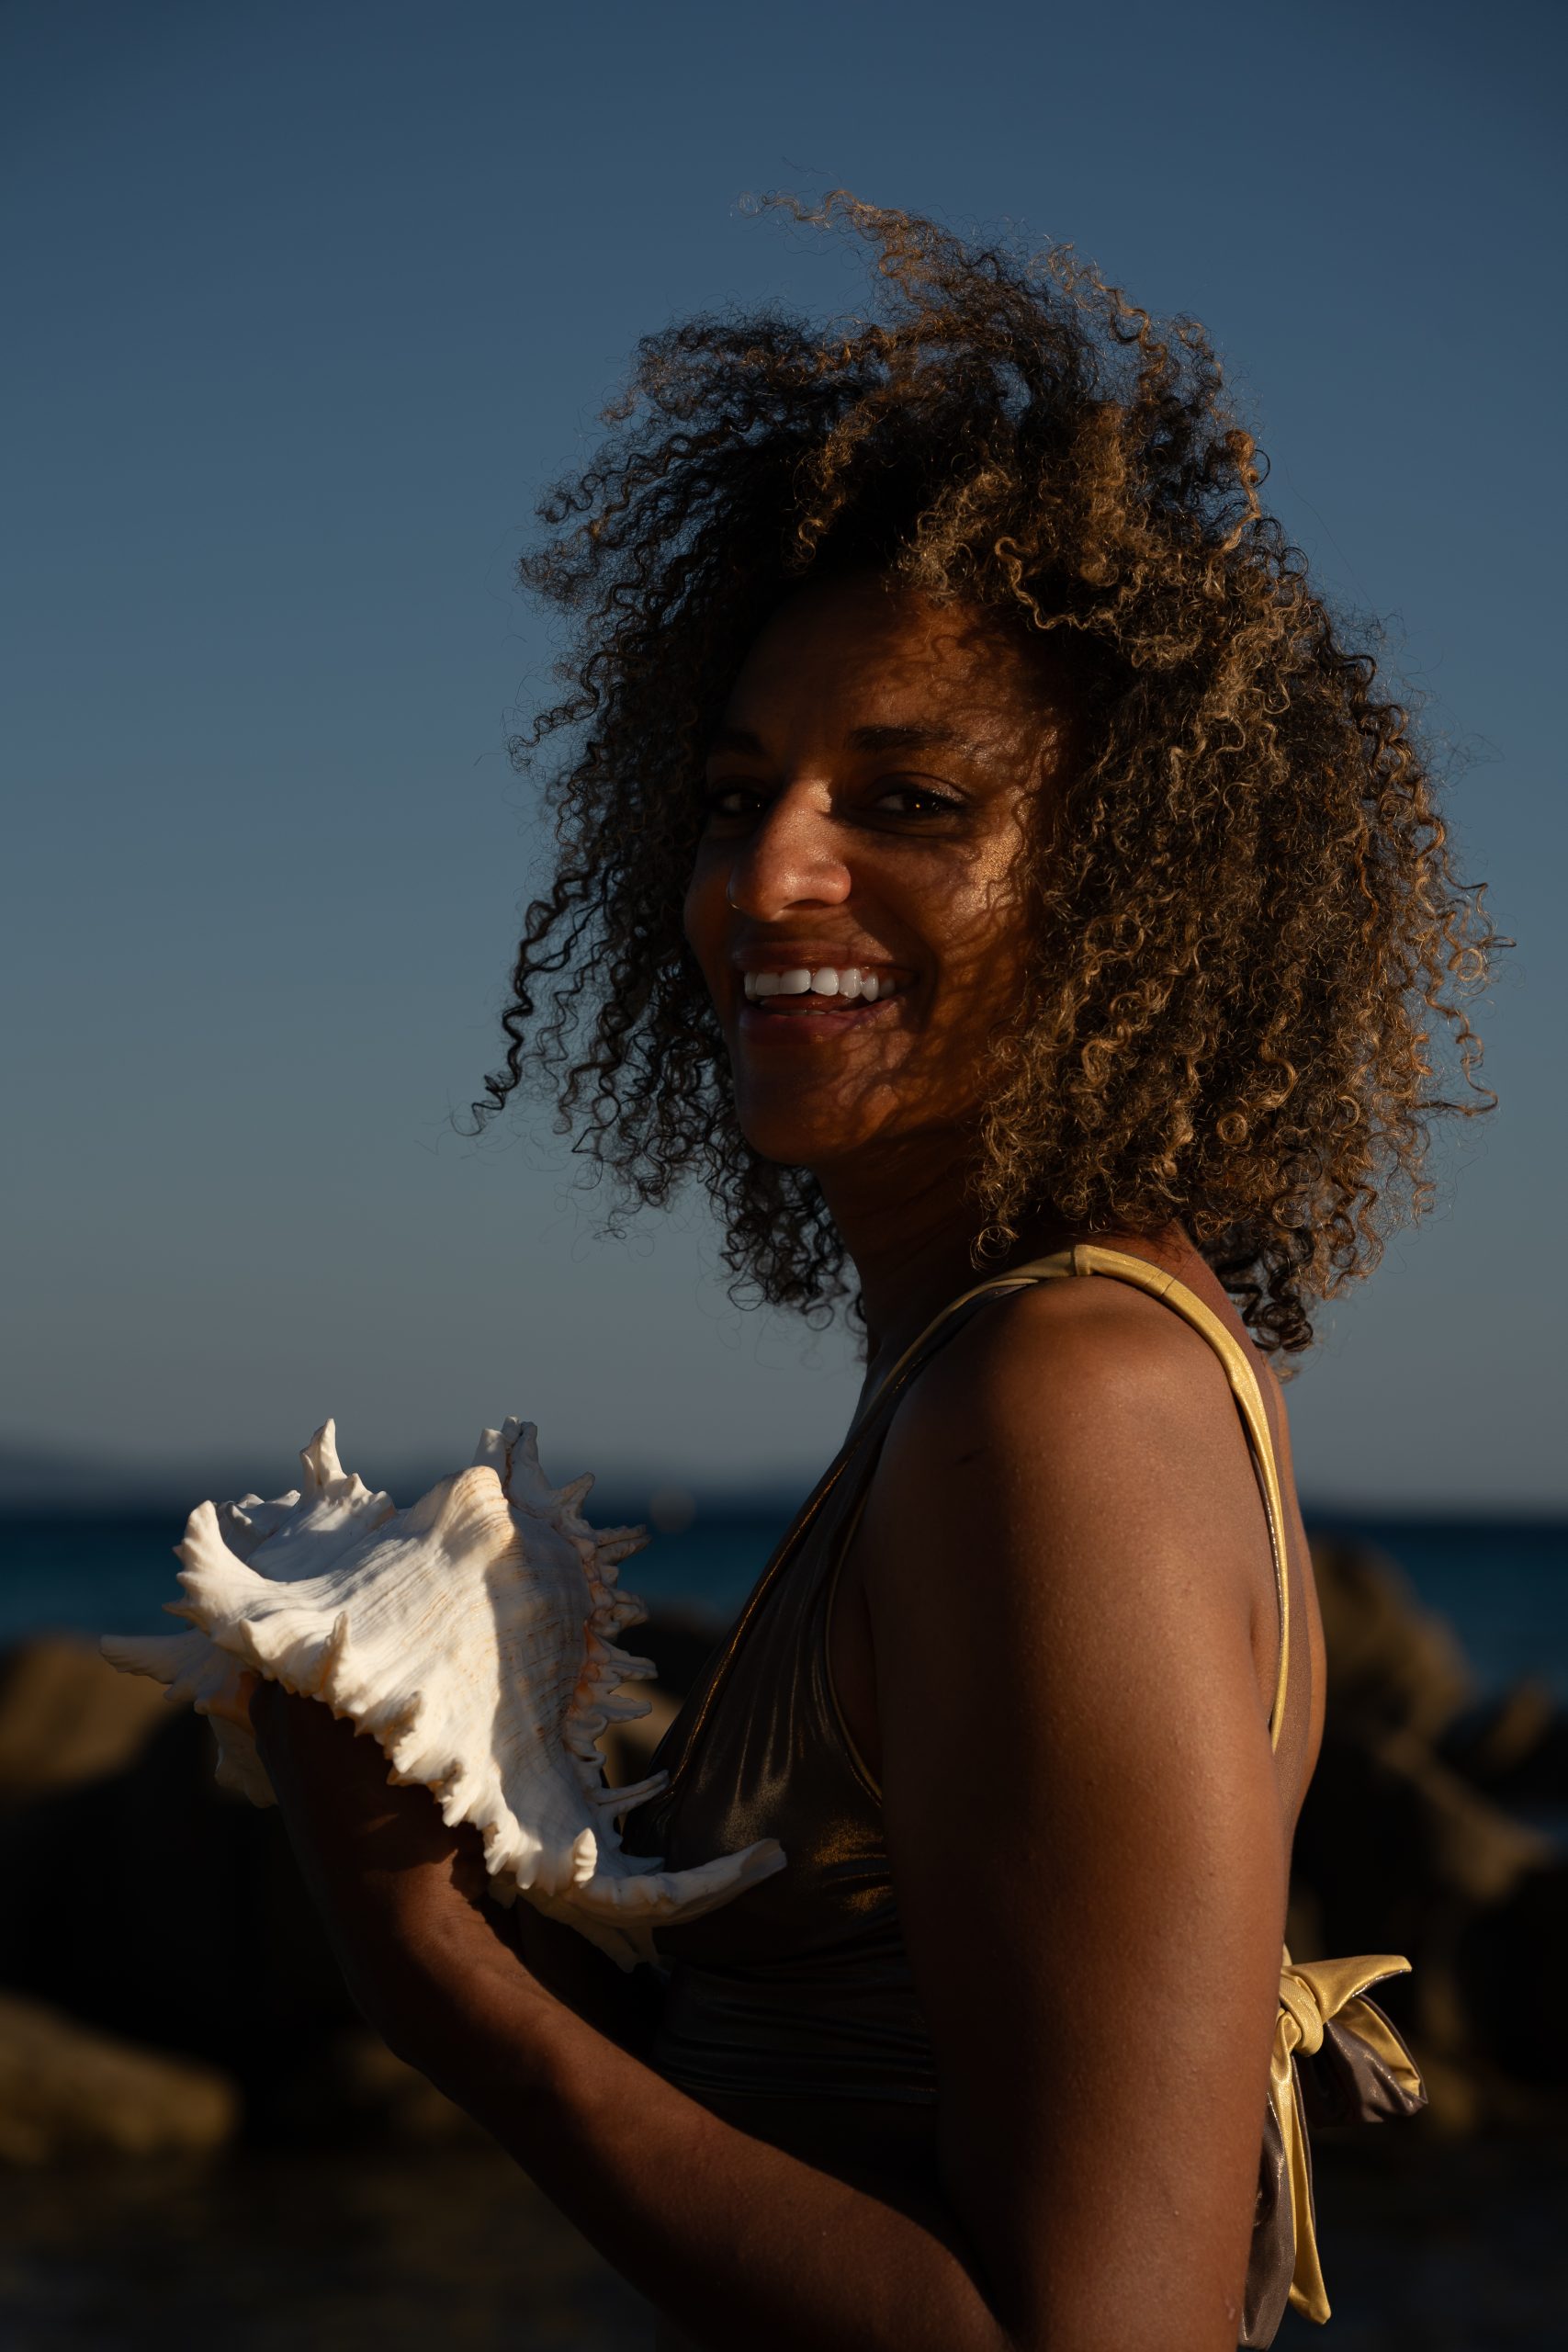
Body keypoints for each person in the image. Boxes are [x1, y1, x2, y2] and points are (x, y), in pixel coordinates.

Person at [250, 196, 1489, 2350]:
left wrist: (431, 1975)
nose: (769, 871)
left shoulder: (1062, 1402)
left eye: (901, 797)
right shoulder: (996, 1362)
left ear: (1140, 890)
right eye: (738, 791)